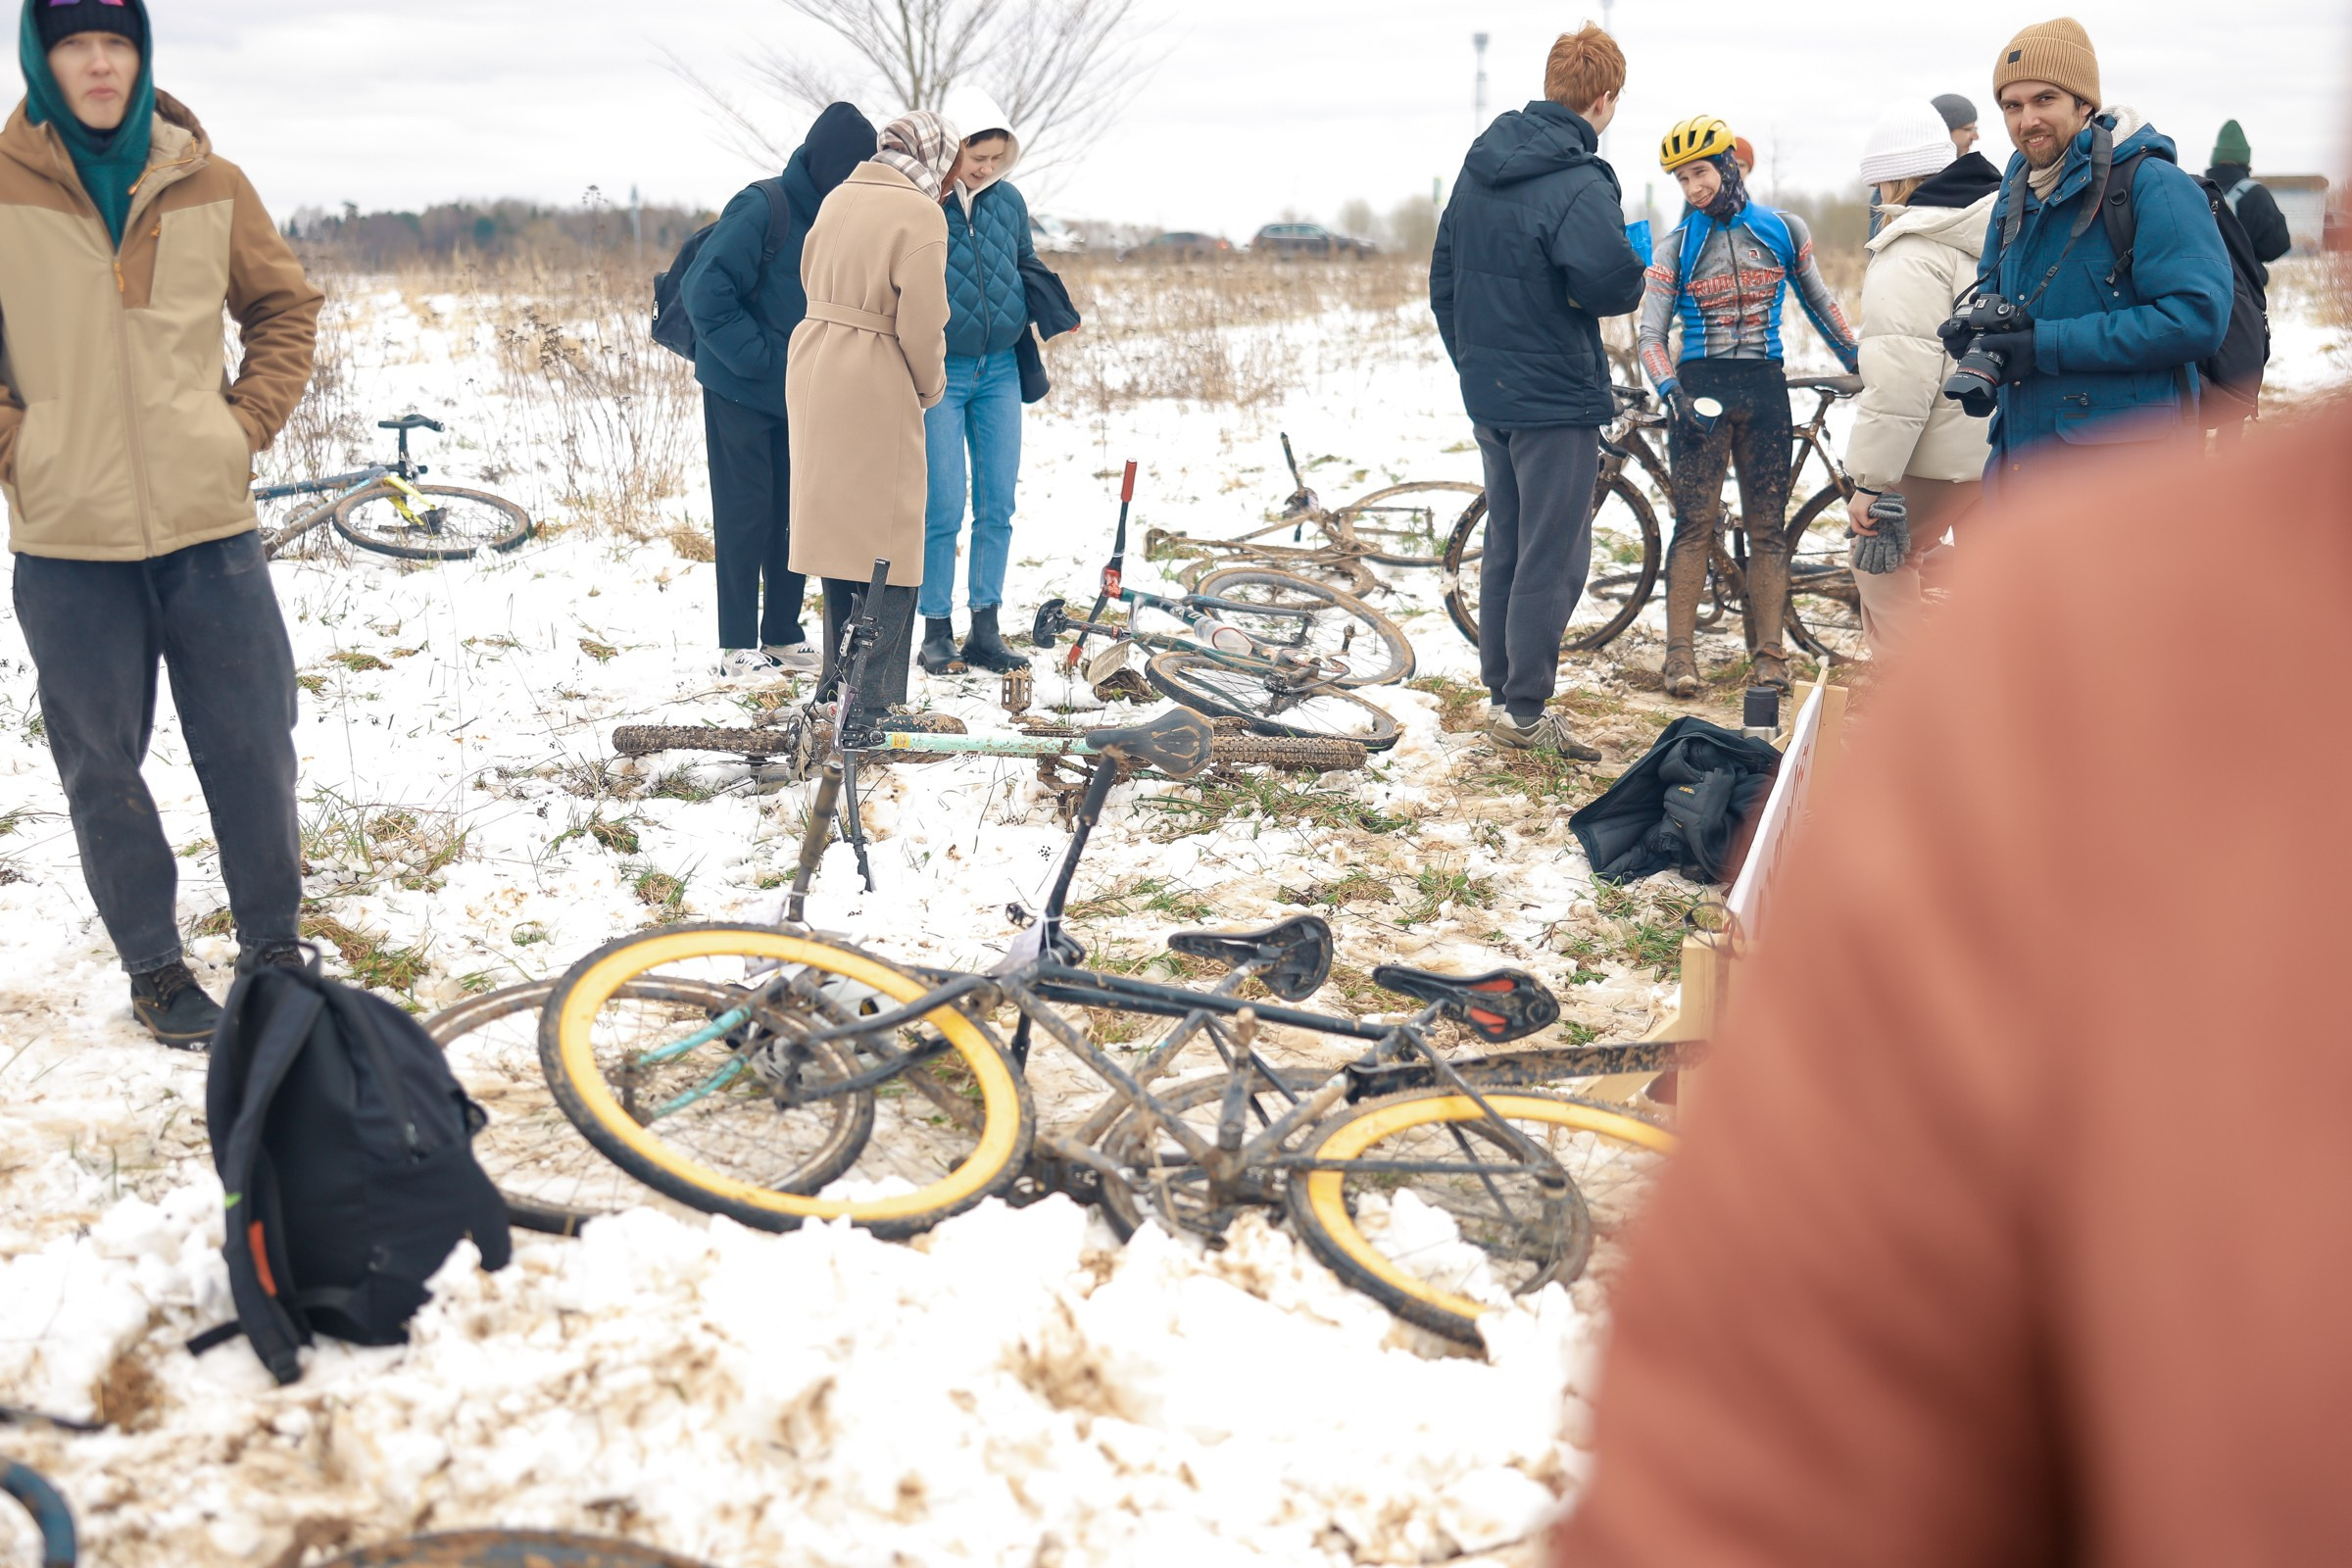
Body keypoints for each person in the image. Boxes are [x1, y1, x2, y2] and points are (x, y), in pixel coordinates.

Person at [1550, 408, 2352, 1568]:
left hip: (1986, 455)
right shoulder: (2107, 628)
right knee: (1735, 534)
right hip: (2001, 462)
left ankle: (1740, 640)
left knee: (1742, 534)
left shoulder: (2106, 623)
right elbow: (1779, 1452)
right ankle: (1722, 642)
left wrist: (1885, 451)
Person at [0, 0, 319, 1048]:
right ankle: (155, 967)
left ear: (140, 57)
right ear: (42, 59)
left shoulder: (210, 181)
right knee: (101, 762)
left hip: (208, 526)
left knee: (254, 742)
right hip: (68, 543)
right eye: (75, 43)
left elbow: (284, 306)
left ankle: (273, 947)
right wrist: (26, 453)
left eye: (118, 42)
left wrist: (240, 427)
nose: (100, 63)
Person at [1430, 24, 1645, 758]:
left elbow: (1443, 281)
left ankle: (1503, 695)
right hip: (1555, 398)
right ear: (1604, 98)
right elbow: (1611, 287)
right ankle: (1524, 710)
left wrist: (1474, 363)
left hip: (1492, 394)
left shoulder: (1479, 168)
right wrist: (1632, 261)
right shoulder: (1579, 180)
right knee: (1553, 554)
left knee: (1509, 542)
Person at [1638, 116, 1858, 695]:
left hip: (1764, 389)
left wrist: (1859, 357)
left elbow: (1819, 302)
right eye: (1682, 179)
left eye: (1701, 173)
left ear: (1728, 165)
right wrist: (1671, 392)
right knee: (1694, 526)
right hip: (1699, 391)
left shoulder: (1783, 229)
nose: (1693, 188)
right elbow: (1650, 336)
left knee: (1769, 531)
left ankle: (1770, 656)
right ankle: (1679, 659)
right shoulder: (1675, 246)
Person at [1969, 19, 2232, 491]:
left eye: (2044, 99)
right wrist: (1975, 333)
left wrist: (2043, 345)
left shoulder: (2154, 185)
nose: (2027, 120)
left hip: (2126, 487)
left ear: (2084, 103)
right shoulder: (2014, 193)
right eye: (2012, 105)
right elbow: (1993, 293)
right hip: (2020, 475)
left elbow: (2196, 319)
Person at [684, 102, 876, 678]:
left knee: (797, 515)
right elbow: (704, 291)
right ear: (822, 161)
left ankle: (783, 634)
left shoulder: (845, 218)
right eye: (847, 169)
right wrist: (761, 359)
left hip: (802, 394)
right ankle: (736, 644)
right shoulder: (764, 205)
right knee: (745, 513)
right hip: (740, 388)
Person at [787, 111, 957, 724]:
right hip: (873, 367)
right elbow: (923, 321)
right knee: (891, 535)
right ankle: (873, 705)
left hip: (814, 360)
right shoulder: (920, 214)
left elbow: (806, 273)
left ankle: (835, 690)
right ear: (934, 158)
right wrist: (929, 386)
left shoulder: (839, 196)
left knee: (840, 534)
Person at [1842, 103, 2001, 662]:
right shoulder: (1999, 225)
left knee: (1878, 556)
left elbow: (1900, 380)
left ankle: (1911, 696)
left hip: (1942, 453)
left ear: (1890, 179)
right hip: (2001, 439)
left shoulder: (1910, 250)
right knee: (1992, 577)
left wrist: (1872, 484)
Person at [916, 87, 1050, 677]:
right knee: (943, 504)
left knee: (998, 502)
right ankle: (935, 630)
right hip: (941, 371)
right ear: (954, 148)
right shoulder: (924, 202)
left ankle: (985, 628)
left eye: (998, 157)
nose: (987, 167)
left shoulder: (1009, 201)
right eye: (978, 156)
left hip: (999, 368)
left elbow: (1022, 263)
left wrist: (1046, 304)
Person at [2206, 119, 2293, 266]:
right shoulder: (2257, 194)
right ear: (2245, 160)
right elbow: (2278, 246)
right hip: (2246, 279)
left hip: (2204, 278)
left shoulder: (2197, 191)